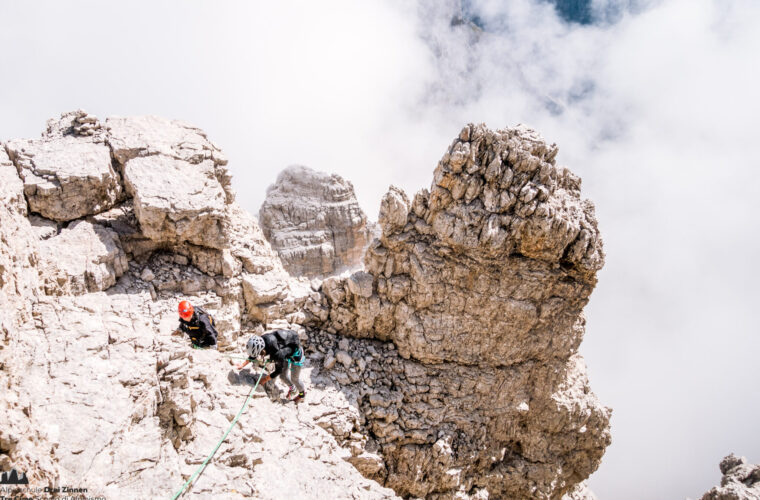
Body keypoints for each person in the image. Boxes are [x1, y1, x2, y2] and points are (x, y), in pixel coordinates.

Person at [236, 329, 306, 403]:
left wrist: (265, 379)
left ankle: (302, 395)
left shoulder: (277, 354)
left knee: (294, 379)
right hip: (285, 351)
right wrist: (243, 364)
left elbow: (279, 370)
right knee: (283, 376)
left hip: (296, 355)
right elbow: (255, 353)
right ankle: (293, 389)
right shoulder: (262, 340)